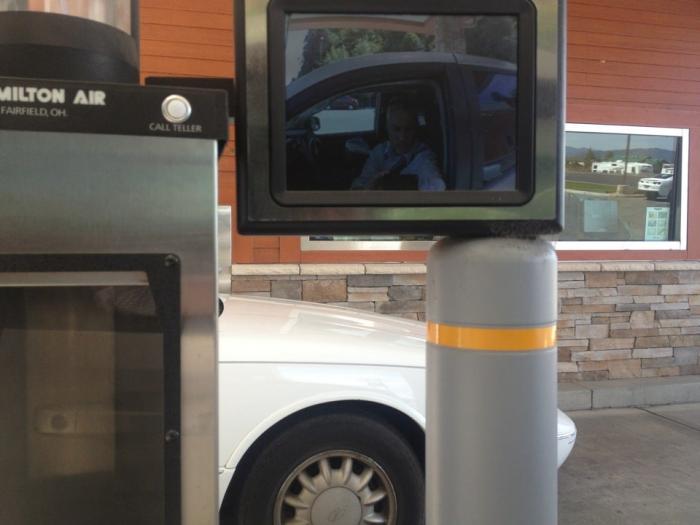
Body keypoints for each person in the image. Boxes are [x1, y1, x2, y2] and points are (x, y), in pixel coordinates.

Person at [351, 98, 446, 191]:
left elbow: (435, 184)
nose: (402, 137)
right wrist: (369, 187)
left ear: (415, 129)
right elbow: (357, 187)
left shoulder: (424, 157)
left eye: (408, 129)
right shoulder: (379, 153)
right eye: (396, 129)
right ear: (387, 128)